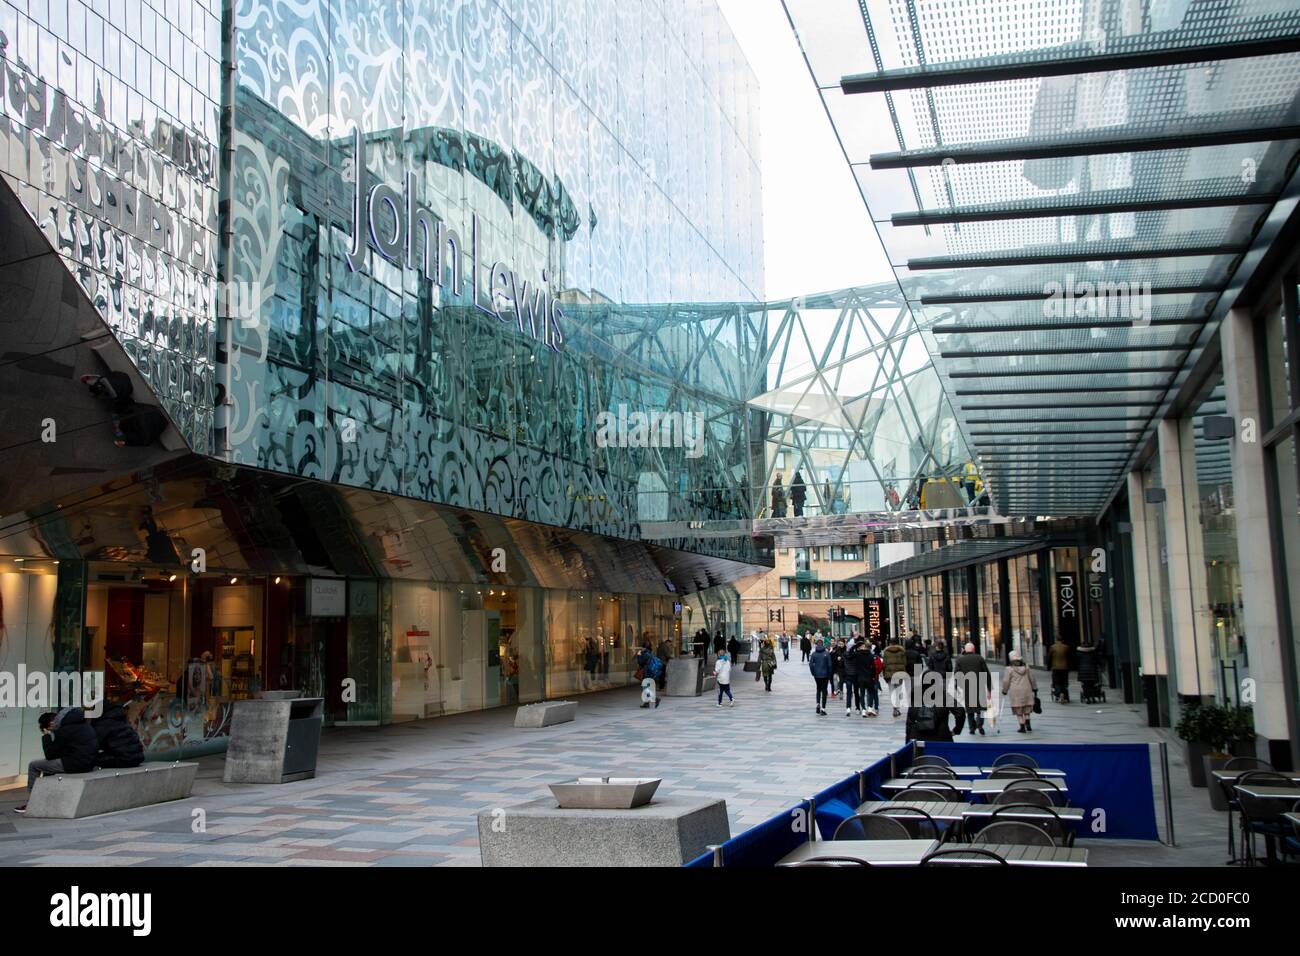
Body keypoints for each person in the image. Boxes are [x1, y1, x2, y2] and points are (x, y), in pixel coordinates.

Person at [15, 708, 99, 814]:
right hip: (88, 764)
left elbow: (50, 755)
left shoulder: (65, 730)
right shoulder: (86, 726)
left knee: (34, 765)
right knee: (47, 767)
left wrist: (46, 736)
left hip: (74, 764)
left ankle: (33, 802)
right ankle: (46, 798)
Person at [952, 642, 992, 735]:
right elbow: (986, 673)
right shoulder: (979, 658)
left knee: (969, 709)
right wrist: (989, 688)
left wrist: (957, 686)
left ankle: (971, 728)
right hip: (979, 686)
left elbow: (957, 674)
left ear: (965, 650)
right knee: (981, 708)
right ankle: (980, 724)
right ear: (973, 649)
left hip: (967, 687)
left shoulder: (960, 660)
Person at [93, 701, 145, 767]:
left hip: (125, 759)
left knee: (91, 759)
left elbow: (94, 745)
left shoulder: (104, 723)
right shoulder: (121, 720)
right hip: (137, 757)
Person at [1002, 650, 1038, 733]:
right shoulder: (1026, 667)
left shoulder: (1009, 669)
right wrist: (1034, 688)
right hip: (1027, 690)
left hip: (1016, 692)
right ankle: (1028, 722)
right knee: (1027, 708)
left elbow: (1006, 681)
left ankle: (1022, 726)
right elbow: (1032, 678)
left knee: (1018, 710)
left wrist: (1004, 691)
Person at [882, 636, 907, 716]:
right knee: (898, 691)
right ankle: (898, 707)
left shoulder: (886, 652)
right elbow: (905, 663)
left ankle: (894, 707)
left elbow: (884, 664)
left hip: (889, 675)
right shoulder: (902, 651)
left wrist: (884, 674)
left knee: (892, 691)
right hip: (899, 674)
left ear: (890, 643)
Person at [845, 636, 871, 717]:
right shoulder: (857, 654)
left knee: (851, 692)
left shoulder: (852, 654)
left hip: (851, 675)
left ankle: (850, 708)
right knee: (856, 692)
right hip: (855, 675)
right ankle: (857, 708)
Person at [809, 639, 832, 716]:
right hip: (825, 675)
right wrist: (829, 675)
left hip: (817, 675)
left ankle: (818, 703)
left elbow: (811, 664)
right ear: (823, 644)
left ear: (816, 644)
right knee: (824, 690)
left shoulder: (814, 654)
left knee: (818, 689)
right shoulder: (827, 653)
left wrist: (813, 672)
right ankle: (823, 709)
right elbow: (829, 665)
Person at [636, 643, 662, 709]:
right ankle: (647, 703)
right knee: (647, 688)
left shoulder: (645, 654)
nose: (640, 649)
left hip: (647, 673)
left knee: (646, 688)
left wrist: (638, 655)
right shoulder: (650, 653)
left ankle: (655, 699)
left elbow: (640, 663)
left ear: (644, 648)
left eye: (641, 647)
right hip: (651, 673)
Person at [1048, 636, 1071, 703]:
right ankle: (1064, 694)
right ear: (1063, 640)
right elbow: (1069, 658)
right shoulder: (1066, 647)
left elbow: (1049, 658)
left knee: (1056, 682)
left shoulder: (1053, 647)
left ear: (1056, 640)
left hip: (1055, 668)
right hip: (1065, 668)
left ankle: (1059, 694)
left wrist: (1049, 667)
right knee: (1064, 682)